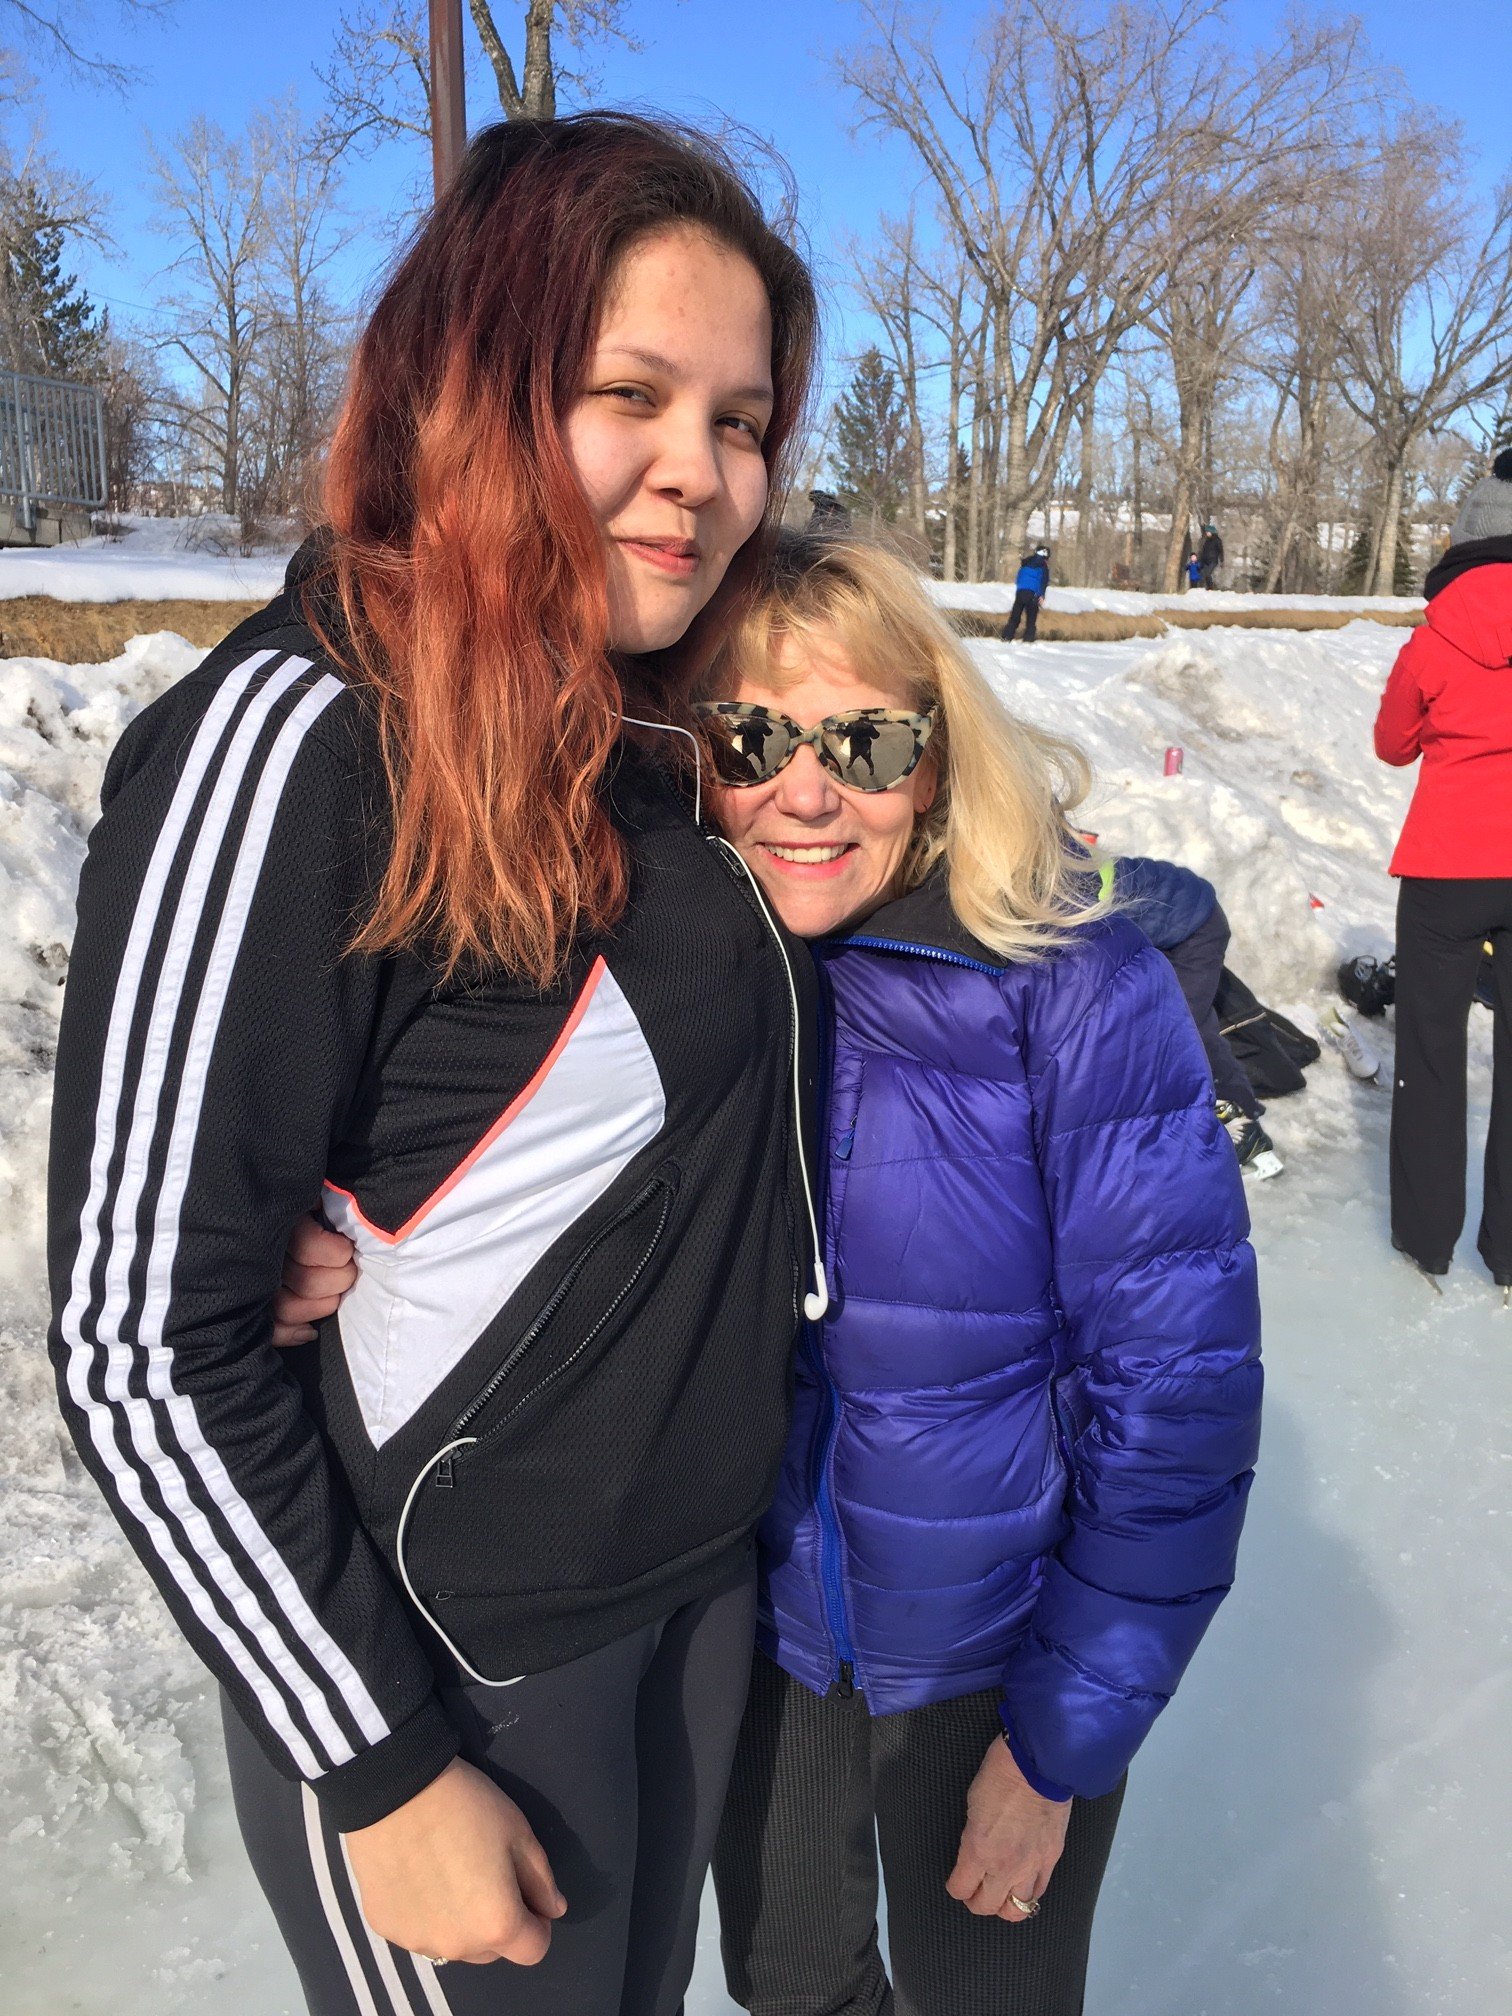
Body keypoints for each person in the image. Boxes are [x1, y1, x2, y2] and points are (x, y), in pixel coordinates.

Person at [46, 114, 820, 2016]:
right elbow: (141, 1346)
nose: (696, 473)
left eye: (739, 418)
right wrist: (376, 1764)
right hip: (449, 1662)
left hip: (686, 1601)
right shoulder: (302, 741)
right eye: (626, 393)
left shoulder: (666, 726)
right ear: (474, 390)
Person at [282, 532, 1262, 2016]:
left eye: (866, 739)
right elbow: (490, 1140)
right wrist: (320, 1230)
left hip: (990, 1655)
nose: (809, 790)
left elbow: (1179, 1402)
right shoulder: (701, 971)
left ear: (937, 757)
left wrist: (1060, 1742)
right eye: (755, 737)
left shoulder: (1071, 989)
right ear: (698, 760)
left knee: (978, 1992)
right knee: (789, 1981)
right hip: (769, 1628)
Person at [1374, 448, 1512, 1289]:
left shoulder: (1436, 637)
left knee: (1430, 1048)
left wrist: (1444, 732)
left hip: (1448, 865)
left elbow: (1391, 746)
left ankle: (1428, 1240)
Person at [1109, 853, 1283, 1176]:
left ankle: (1244, 1120)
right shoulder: (1070, 877)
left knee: (1186, 1027)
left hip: (1199, 930)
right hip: (1169, 932)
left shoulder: (1077, 891)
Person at [1000, 543, 1050, 642]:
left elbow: (1018, 579)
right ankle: (1028, 639)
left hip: (1020, 592)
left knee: (1015, 617)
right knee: (1031, 619)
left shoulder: (1025, 564)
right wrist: (1041, 595)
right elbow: (1043, 582)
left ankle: (1006, 637)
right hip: (1033, 594)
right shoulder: (1043, 567)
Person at [1196, 522, 1224, 590]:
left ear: (1212, 532)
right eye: (1206, 532)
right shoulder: (1207, 541)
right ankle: (1202, 588)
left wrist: (1222, 560)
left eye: (1208, 532)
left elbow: (1221, 550)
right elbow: (1203, 551)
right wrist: (1199, 559)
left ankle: (1210, 588)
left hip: (1213, 561)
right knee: (1202, 574)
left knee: (1208, 574)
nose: (1207, 533)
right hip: (1205, 560)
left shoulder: (1217, 540)